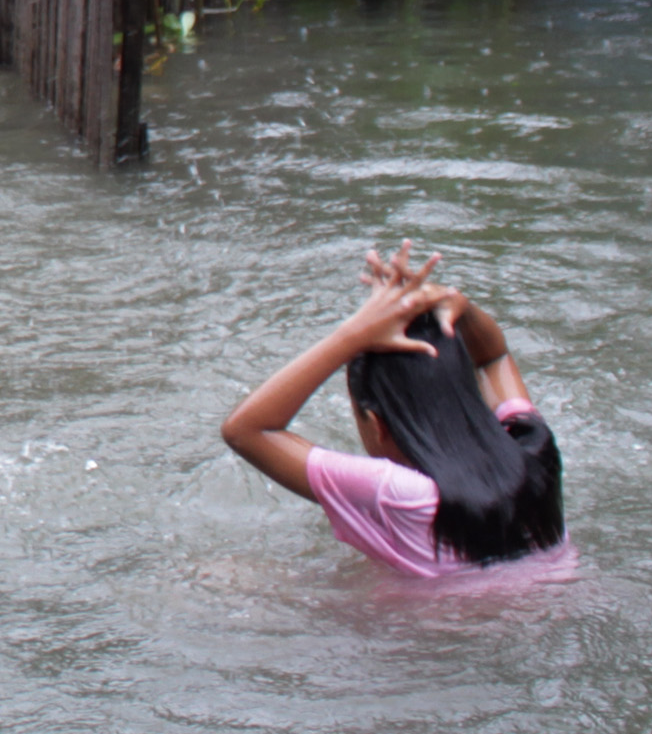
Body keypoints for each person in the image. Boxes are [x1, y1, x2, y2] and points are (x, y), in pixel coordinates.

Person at [218, 242, 568, 577]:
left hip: (431, 629)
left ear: (376, 422)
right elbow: (494, 357)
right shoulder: (534, 449)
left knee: (222, 574)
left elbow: (246, 430)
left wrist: (353, 335)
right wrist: (455, 303)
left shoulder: (398, 493)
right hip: (546, 606)